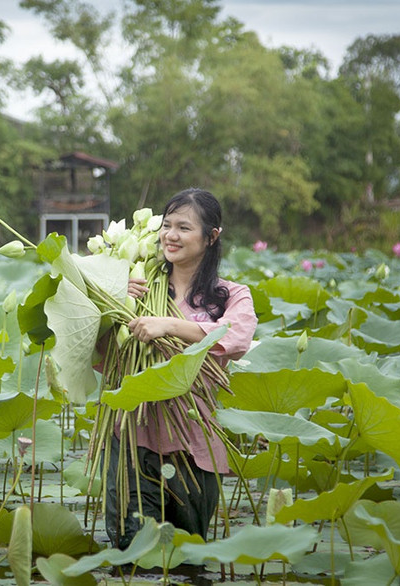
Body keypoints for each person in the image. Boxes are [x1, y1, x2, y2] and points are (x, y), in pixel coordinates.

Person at [104, 187, 258, 549]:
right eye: (167, 225)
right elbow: (102, 355)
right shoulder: (138, 286)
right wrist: (111, 300)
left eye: (184, 228)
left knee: (187, 558)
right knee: (133, 556)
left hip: (194, 442)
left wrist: (168, 325)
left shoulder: (231, 296)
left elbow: (235, 339)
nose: (171, 236)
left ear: (211, 236)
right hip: (132, 438)